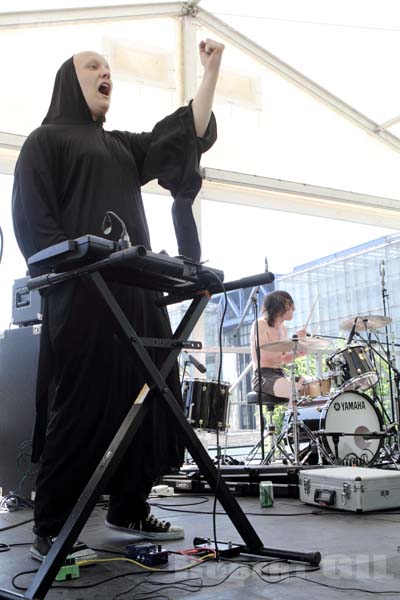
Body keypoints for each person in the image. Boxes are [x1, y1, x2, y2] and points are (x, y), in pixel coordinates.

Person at [12, 39, 224, 562]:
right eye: (93, 67)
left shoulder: (123, 147)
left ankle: (129, 506)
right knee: (82, 406)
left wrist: (211, 72)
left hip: (138, 294)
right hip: (83, 299)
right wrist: (65, 271)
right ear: (70, 80)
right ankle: (53, 526)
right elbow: (33, 224)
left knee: (157, 402)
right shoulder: (45, 141)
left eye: (108, 69)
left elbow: (180, 136)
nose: (106, 74)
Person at [251, 290, 307, 401]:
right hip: (263, 376)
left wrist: (298, 353)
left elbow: (283, 358)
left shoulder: (283, 328)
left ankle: (298, 417)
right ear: (278, 306)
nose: (294, 308)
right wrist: (292, 343)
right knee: (296, 389)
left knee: (308, 383)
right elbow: (265, 355)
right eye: (290, 303)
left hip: (280, 373)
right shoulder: (260, 324)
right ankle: (291, 418)